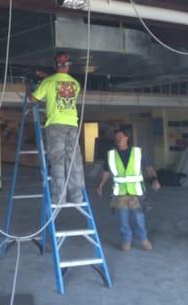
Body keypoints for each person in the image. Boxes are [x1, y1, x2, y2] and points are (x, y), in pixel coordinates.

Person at [28, 52, 84, 204]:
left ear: (55, 65)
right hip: (72, 124)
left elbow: (34, 98)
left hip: (56, 125)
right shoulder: (75, 84)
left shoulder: (48, 82)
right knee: (73, 160)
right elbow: (63, 93)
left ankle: (60, 198)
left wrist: (29, 90)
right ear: (69, 65)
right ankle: (77, 196)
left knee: (58, 160)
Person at [97, 128, 160, 251]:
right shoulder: (111, 155)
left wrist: (154, 179)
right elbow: (106, 171)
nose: (118, 139)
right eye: (116, 137)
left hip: (136, 192)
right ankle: (126, 240)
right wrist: (101, 185)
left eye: (120, 136)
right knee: (123, 220)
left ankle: (143, 239)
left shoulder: (137, 152)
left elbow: (148, 168)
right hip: (120, 193)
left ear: (127, 137)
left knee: (139, 219)